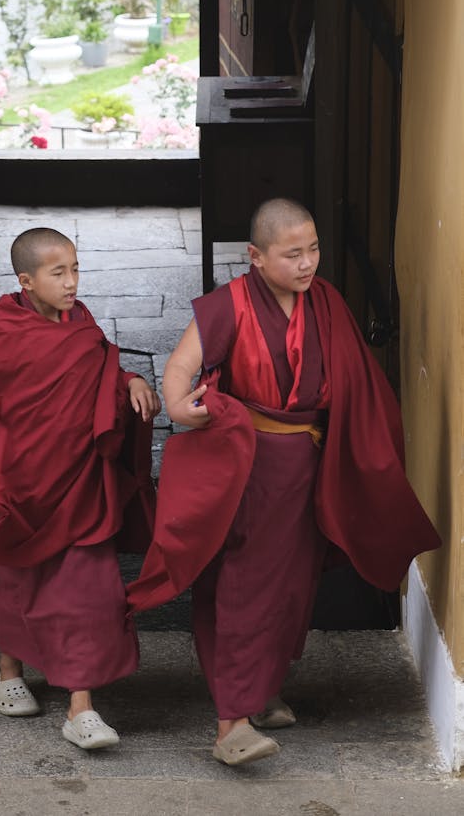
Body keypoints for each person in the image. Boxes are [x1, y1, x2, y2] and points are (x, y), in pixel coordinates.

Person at [127, 197, 440, 767]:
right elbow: (180, 367)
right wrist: (177, 404)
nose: (307, 263)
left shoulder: (327, 302)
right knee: (246, 587)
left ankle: (261, 690)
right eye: (292, 254)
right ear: (256, 256)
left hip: (310, 466)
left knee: (291, 589)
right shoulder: (230, 304)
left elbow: (357, 385)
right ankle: (231, 724)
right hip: (247, 468)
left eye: (313, 249)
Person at [0, 226, 160, 750]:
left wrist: (130, 380)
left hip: (80, 480)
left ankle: (81, 706)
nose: (72, 282)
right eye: (59, 273)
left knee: (88, 589)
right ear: (26, 281)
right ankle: (9, 673)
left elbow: (101, 368)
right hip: (23, 478)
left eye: (75, 269)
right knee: (17, 575)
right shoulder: (4, 329)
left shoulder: (81, 323)